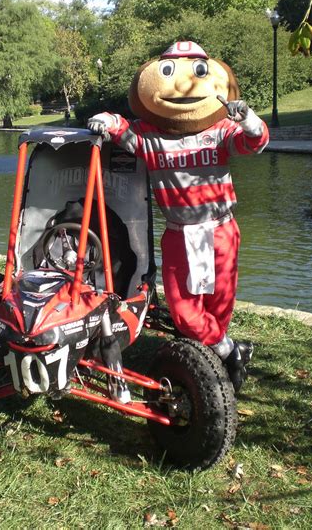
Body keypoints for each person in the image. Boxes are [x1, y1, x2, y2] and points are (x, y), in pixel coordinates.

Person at [88, 41, 269, 392]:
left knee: (219, 305)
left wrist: (246, 117)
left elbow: (257, 142)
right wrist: (107, 120)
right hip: (179, 232)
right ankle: (229, 350)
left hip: (220, 229)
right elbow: (121, 129)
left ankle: (208, 371)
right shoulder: (149, 136)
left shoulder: (220, 132)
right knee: (184, 310)